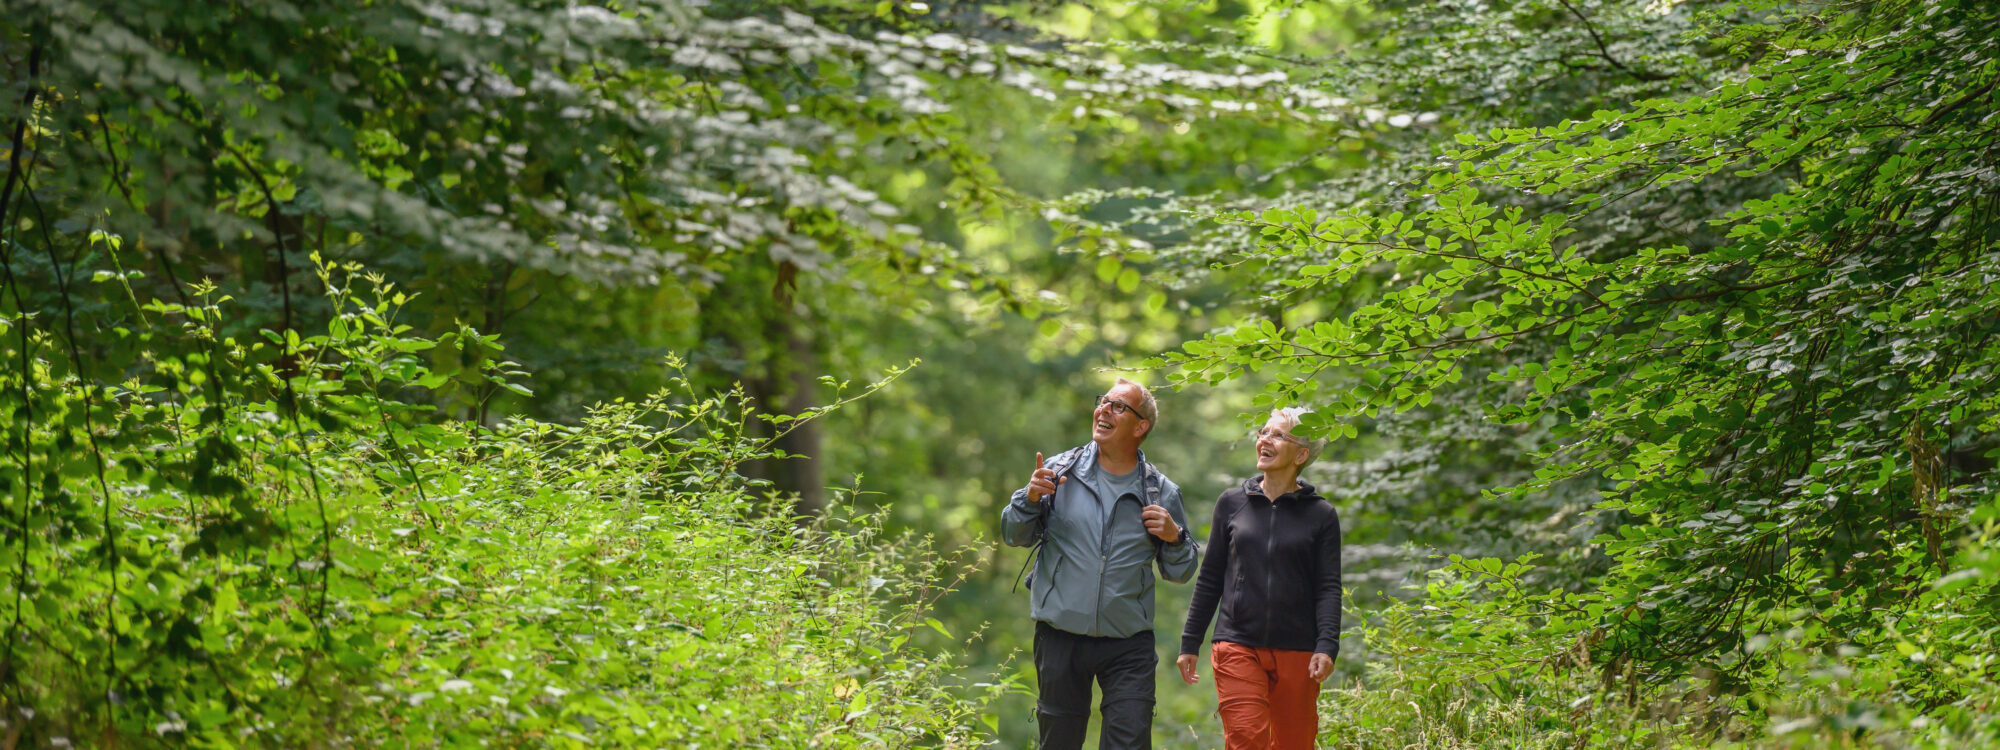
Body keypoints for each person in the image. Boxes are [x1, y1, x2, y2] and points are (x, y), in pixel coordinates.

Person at [1001, 378, 1201, 750]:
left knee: (1129, 742)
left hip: (1128, 643)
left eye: (1118, 406)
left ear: (1141, 426)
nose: (1104, 410)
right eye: (1103, 402)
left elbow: (1180, 571)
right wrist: (1027, 499)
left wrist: (1175, 538)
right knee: (1059, 742)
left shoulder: (1160, 491)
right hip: (1061, 633)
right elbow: (1013, 535)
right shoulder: (1059, 471)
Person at [1177, 407, 1342, 749]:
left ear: (1301, 454)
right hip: (1238, 643)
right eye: (1263, 432)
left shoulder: (1321, 515)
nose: (1264, 439)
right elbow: (1210, 578)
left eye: (1278, 435)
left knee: (1293, 743)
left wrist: (1327, 645)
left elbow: (1328, 587)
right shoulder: (1231, 503)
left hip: (1298, 649)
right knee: (1246, 738)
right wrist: (1190, 641)